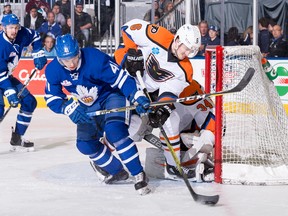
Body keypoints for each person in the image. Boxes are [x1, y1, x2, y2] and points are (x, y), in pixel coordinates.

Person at [44, 34, 152, 195]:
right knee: (84, 144)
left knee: (115, 132)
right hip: (87, 104)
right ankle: (117, 171)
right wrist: (67, 107)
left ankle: (138, 173)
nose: (71, 63)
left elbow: (121, 79)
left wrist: (136, 95)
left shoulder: (95, 59)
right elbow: (52, 97)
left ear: (79, 52)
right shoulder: (53, 70)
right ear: (58, 58)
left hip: (110, 96)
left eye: (73, 58)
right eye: (66, 60)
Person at [114, 19, 201, 178]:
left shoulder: (185, 70)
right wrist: (132, 54)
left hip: (145, 90)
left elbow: (169, 92)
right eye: (186, 49)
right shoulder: (158, 35)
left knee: (170, 119)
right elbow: (127, 28)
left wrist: (161, 110)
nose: (186, 54)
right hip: (123, 76)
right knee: (123, 125)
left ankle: (173, 166)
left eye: (190, 51)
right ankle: (104, 153)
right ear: (178, 39)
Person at [0, 14, 47, 151]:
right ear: (3, 28)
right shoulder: (1, 46)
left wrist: (38, 52)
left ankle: (17, 138)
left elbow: (36, 36)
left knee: (29, 102)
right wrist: (10, 92)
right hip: (2, 77)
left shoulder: (22, 33)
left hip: (7, 77)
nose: (14, 31)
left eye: (15, 27)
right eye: (10, 28)